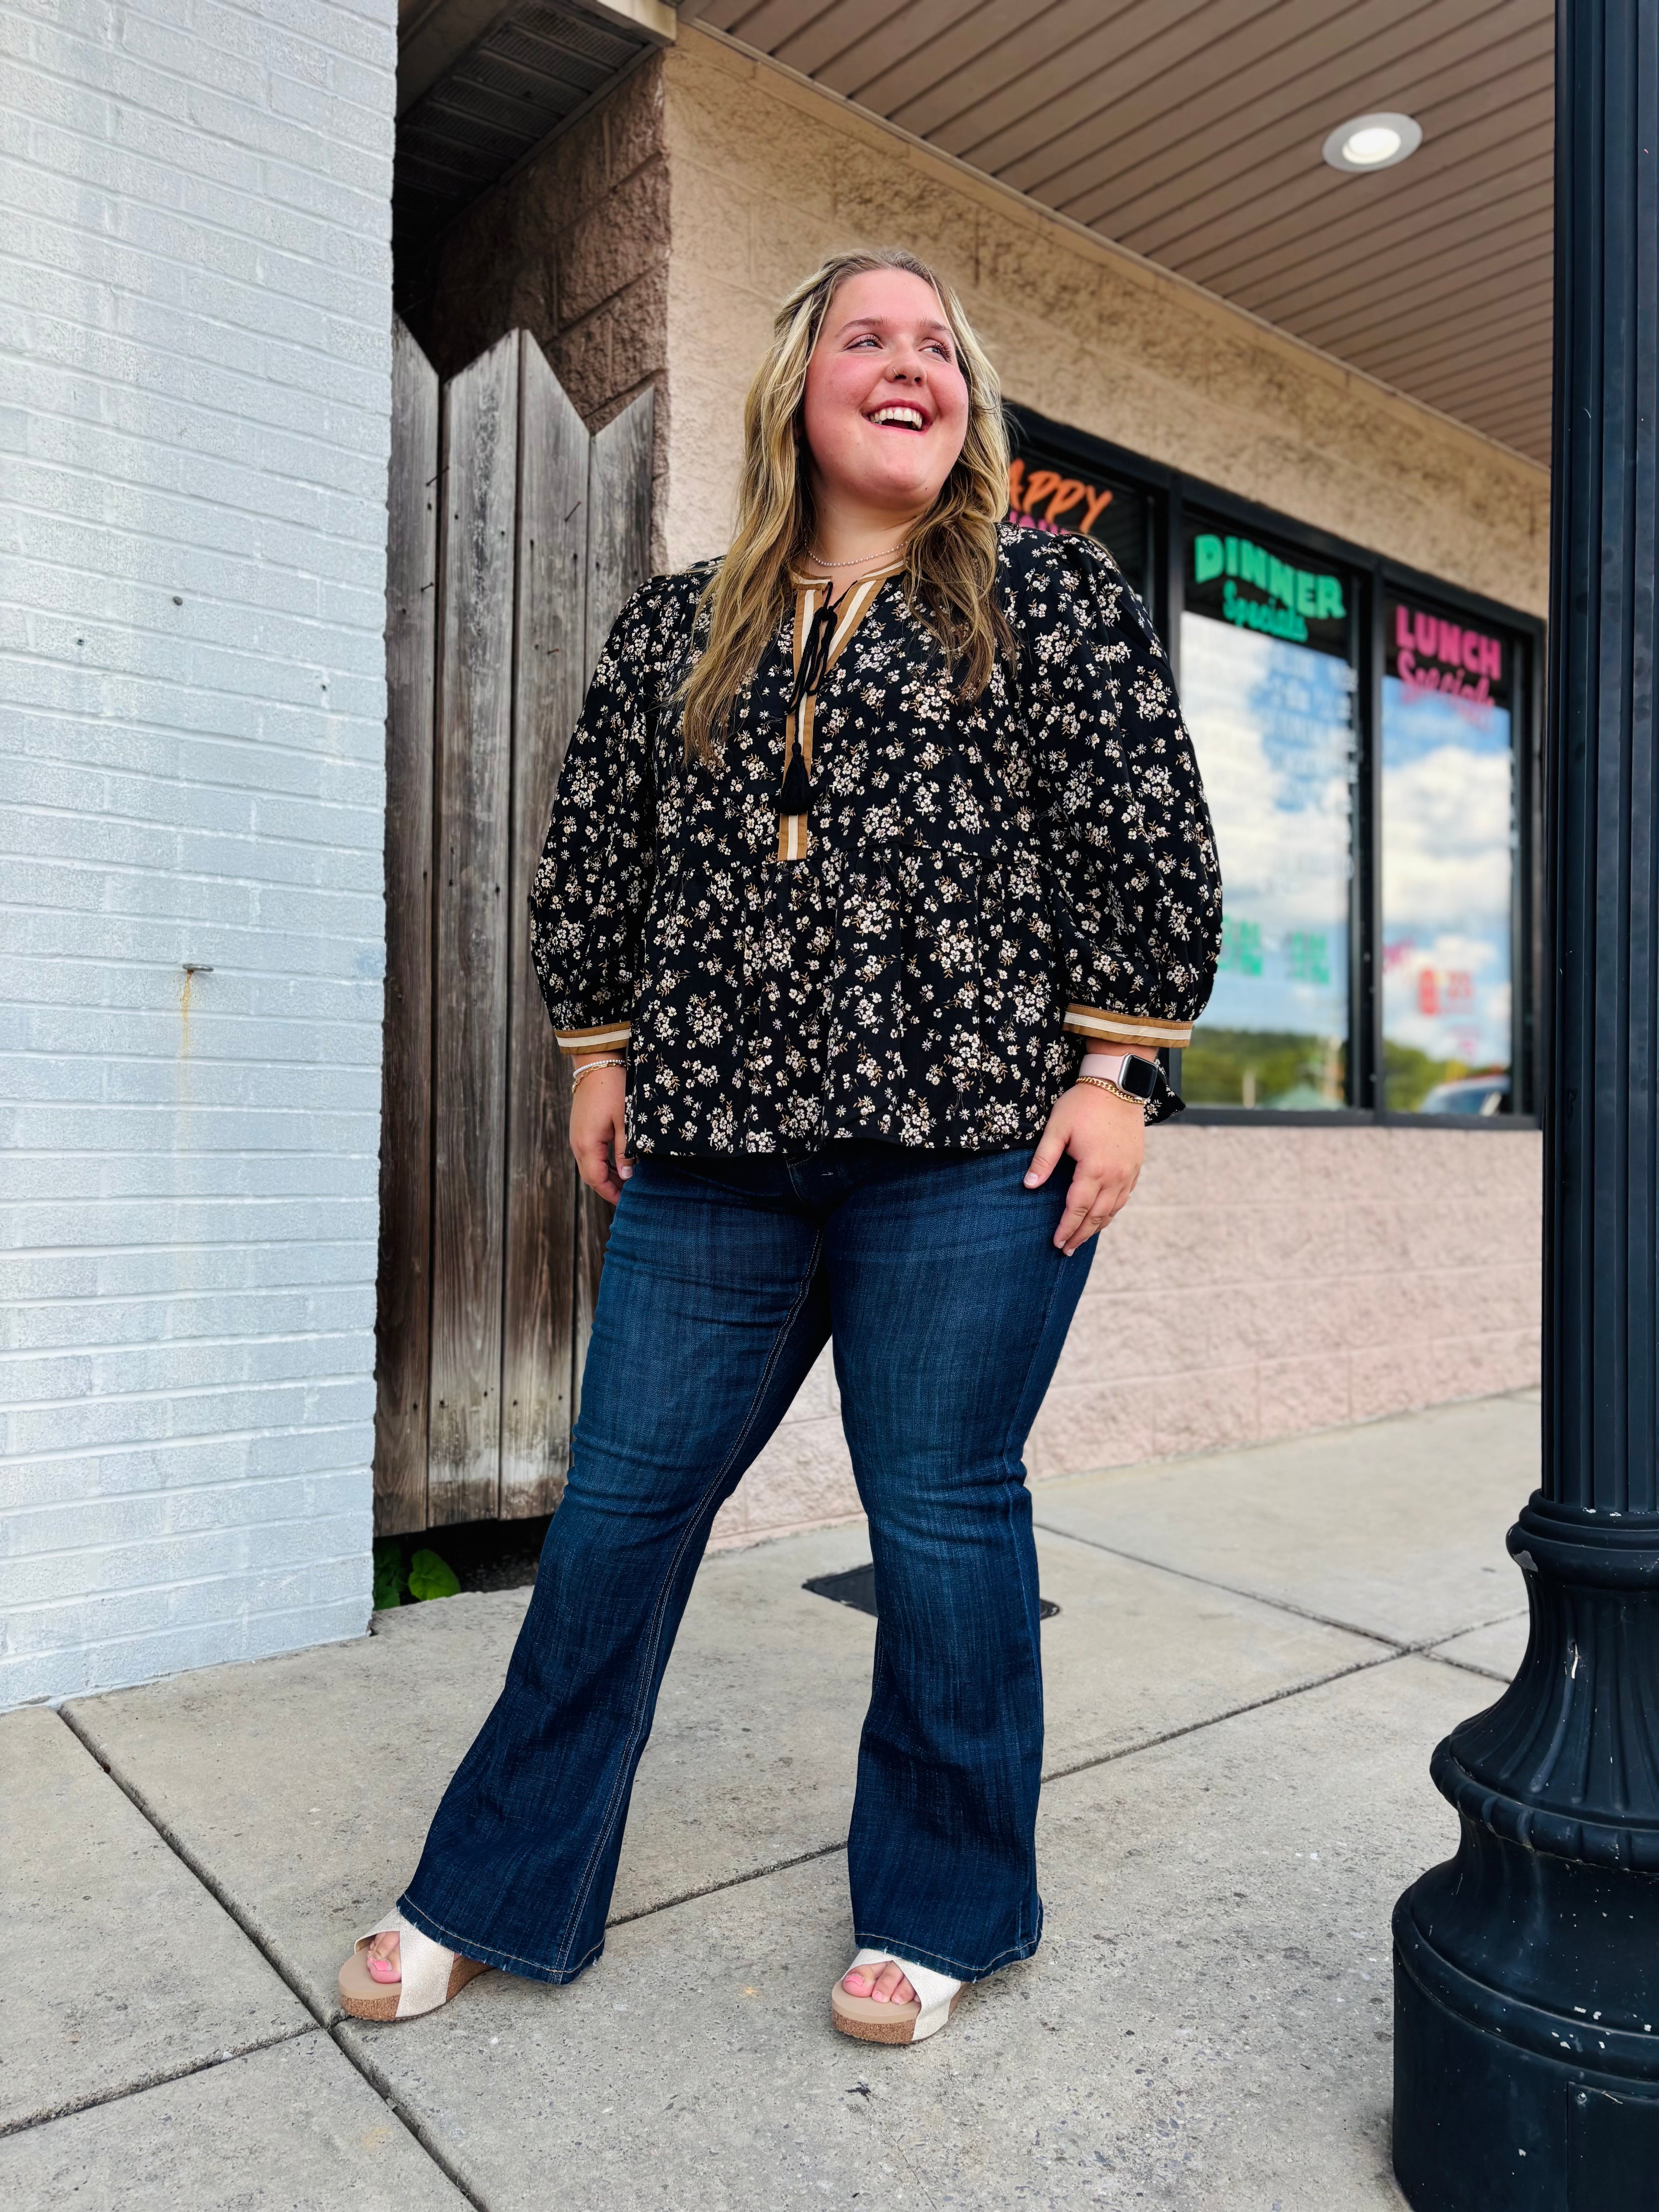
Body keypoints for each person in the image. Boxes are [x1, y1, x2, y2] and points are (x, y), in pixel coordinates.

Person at [338, 248, 1220, 2046]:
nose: (911, 366)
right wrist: (600, 1054)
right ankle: (493, 1881)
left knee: (945, 1515)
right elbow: (600, 848)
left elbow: (1145, 835)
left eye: (939, 348)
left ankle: (948, 1904)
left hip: (975, 1148)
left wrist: (1119, 1071)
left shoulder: (1044, 594)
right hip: (717, 1150)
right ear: (797, 392)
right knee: (620, 1509)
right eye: (865, 337)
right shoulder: (684, 623)